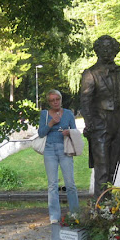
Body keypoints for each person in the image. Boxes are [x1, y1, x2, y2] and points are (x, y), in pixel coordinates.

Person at [80, 35, 120, 197]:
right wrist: (90, 124)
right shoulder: (90, 74)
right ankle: (100, 207)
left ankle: (108, 204)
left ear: (115, 50)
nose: (107, 51)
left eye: (110, 48)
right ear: (97, 50)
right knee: (101, 167)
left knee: (112, 168)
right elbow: (85, 102)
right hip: (100, 125)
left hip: (117, 124)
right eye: (103, 47)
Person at [38, 89, 79, 223]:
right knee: (52, 184)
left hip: (65, 149)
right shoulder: (44, 114)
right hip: (49, 150)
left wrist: (69, 132)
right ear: (49, 102)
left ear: (61, 100)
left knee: (70, 184)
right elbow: (41, 133)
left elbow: (75, 130)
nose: (55, 102)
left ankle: (75, 214)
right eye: (52, 100)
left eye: (57, 99)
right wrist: (51, 123)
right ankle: (54, 216)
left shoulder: (68, 113)